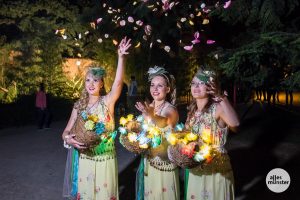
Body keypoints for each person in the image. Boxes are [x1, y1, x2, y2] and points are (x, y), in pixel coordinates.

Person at [61, 37, 131, 200]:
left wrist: (121, 57)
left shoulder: (107, 101)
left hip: (105, 159)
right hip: (85, 158)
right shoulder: (79, 105)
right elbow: (65, 131)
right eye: (87, 80)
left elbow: (119, 83)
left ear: (101, 83)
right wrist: (68, 139)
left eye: (95, 80)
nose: (91, 83)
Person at [184, 68, 240, 200]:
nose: (196, 87)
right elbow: (186, 136)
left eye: (201, 83)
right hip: (196, 168)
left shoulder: (217, 108)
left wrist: (221, 97)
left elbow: (235, 124)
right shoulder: (192, 112)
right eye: (193, 83)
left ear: (210, 86)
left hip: (216, 169)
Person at [135, 66, 180, 200]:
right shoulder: (149, 107)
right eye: (153, 85)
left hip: (165, 164)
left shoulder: (170, 109)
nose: (155, 89)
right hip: (149, 162)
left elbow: (164, 121)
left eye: (160, 86)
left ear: (168, 89)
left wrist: (150, 115)